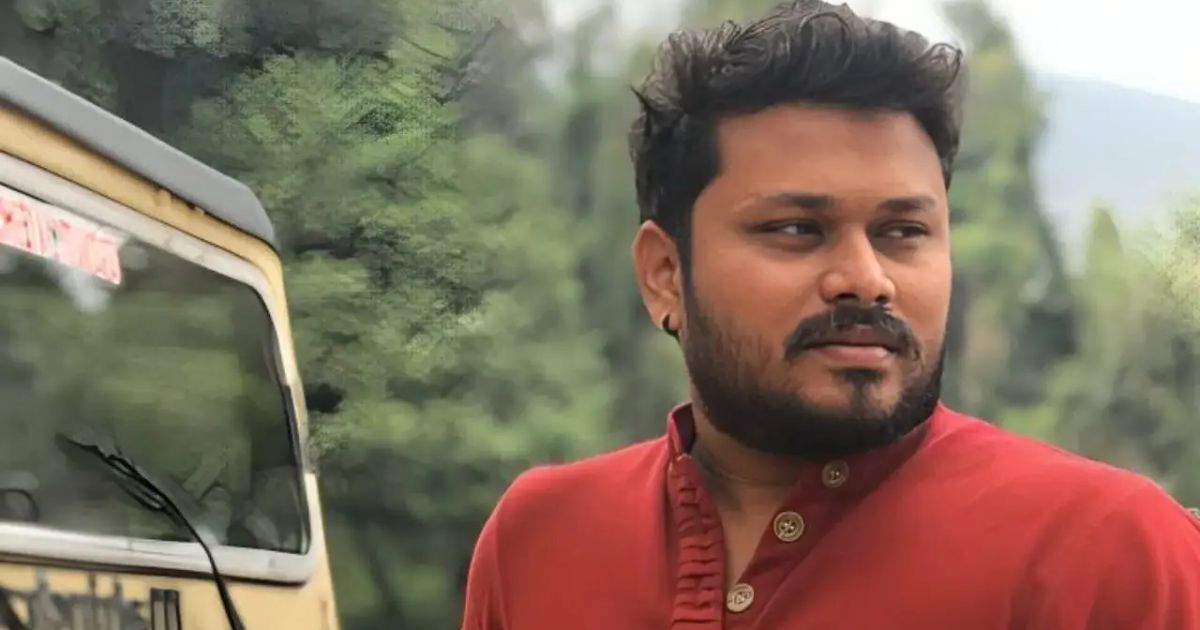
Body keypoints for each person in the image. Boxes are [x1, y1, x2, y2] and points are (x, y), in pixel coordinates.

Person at [460, 1, 1200, 628]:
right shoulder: (541, 539)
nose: (866, 280)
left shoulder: (1109, 553)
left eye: (902, 232)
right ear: (664, 275)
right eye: (795, 230)